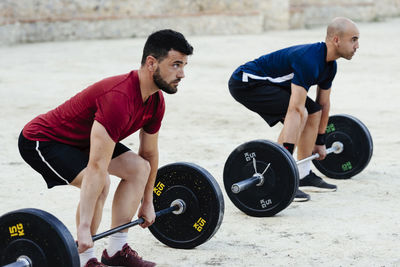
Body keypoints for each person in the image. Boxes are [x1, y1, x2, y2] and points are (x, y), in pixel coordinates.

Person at [18, 29, 193, 267]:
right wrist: (83, 228)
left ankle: (116, 249)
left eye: (183, 65)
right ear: (151, 63)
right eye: (175, 65)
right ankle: (85, 257)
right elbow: (97, 166)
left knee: (139, 168)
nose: (182, 74)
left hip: (84, 140)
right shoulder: (118, 98)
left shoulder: (155, 101)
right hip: (43, 140)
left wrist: (148, 201)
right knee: (101, 183)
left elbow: (149, 154)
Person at [228, 17, 359, 202]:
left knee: (312, 111)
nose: (357, 45)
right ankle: (282, 177)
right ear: (336, 40)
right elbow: (296, 110)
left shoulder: (330, 66)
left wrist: (320, 141)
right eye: (353, 39)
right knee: (301, 113)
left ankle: (303, 174)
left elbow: (323, 104)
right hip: (246, 82)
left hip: (270, 84)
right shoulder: (309, 60)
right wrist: (286, 162)